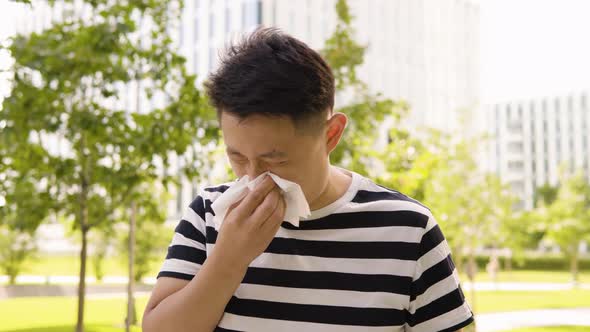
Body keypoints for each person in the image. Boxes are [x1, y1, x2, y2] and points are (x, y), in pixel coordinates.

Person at [142, 27, 474, 332]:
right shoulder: (208, 215)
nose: (254, 179)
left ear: (331, 134)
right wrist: (228, 261)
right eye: (238, 157)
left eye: (277, 160)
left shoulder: (409, 229)